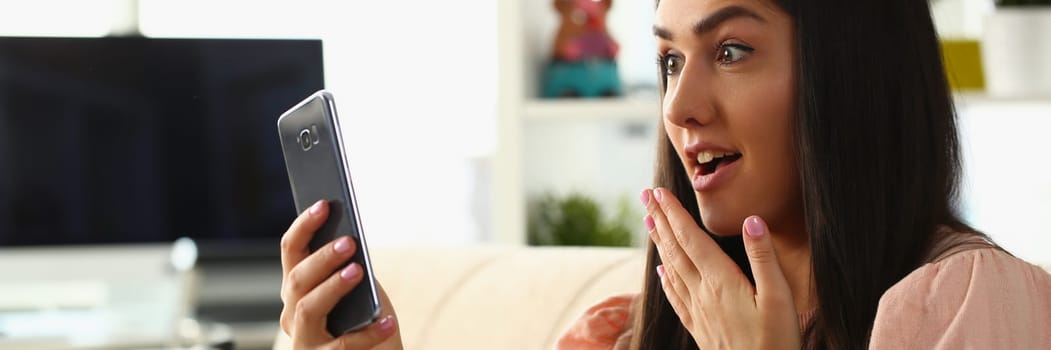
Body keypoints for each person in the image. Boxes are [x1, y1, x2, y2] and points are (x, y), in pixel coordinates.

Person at [278, 0, 1051, 348]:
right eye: (669, 59)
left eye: (731, 50)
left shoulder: (966, 300)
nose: (679, 106)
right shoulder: (628, 331)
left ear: (851, 74)